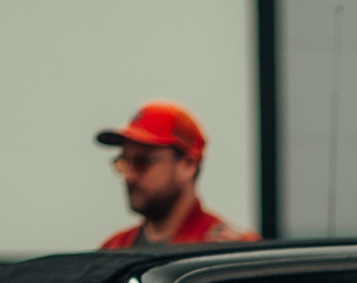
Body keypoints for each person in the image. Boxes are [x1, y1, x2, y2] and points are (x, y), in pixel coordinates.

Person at [97, 102, 258, 248]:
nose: (128, 176)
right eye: (124, 162)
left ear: (188, 165)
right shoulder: (113, 248)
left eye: (143, 162)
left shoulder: (229, 252)